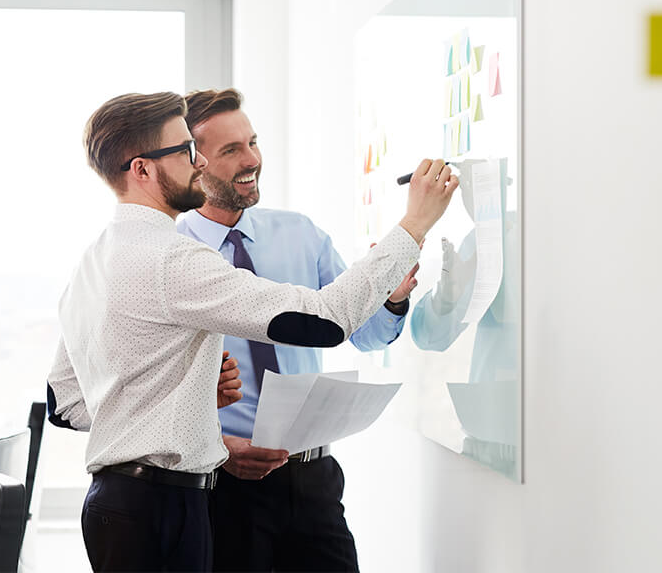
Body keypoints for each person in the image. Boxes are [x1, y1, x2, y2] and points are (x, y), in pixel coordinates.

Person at [47, 91, 456, 572]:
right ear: (141, 169)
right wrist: (414, 222)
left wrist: (184, 403)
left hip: (123, 505)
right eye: (185, 152)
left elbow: (66, 403)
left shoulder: (95, 257)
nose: (197, 165)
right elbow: (324, 322)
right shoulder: (172, 257)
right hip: (169, 506)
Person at [175, 88, 418, 572]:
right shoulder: (171, 255)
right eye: (231, 150)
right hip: (223, 484)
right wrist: (219, 450)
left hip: (313, 478)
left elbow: (365, 333)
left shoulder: (301, 234)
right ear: (193, 163)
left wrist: (392, 297)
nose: (253, 159)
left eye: (253, 142)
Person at [408, 158, 518, 474]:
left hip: (551, 433)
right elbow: (431, 336)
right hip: (488, 439)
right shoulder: (486, 240)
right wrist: (447, 295)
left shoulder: (566, 243)